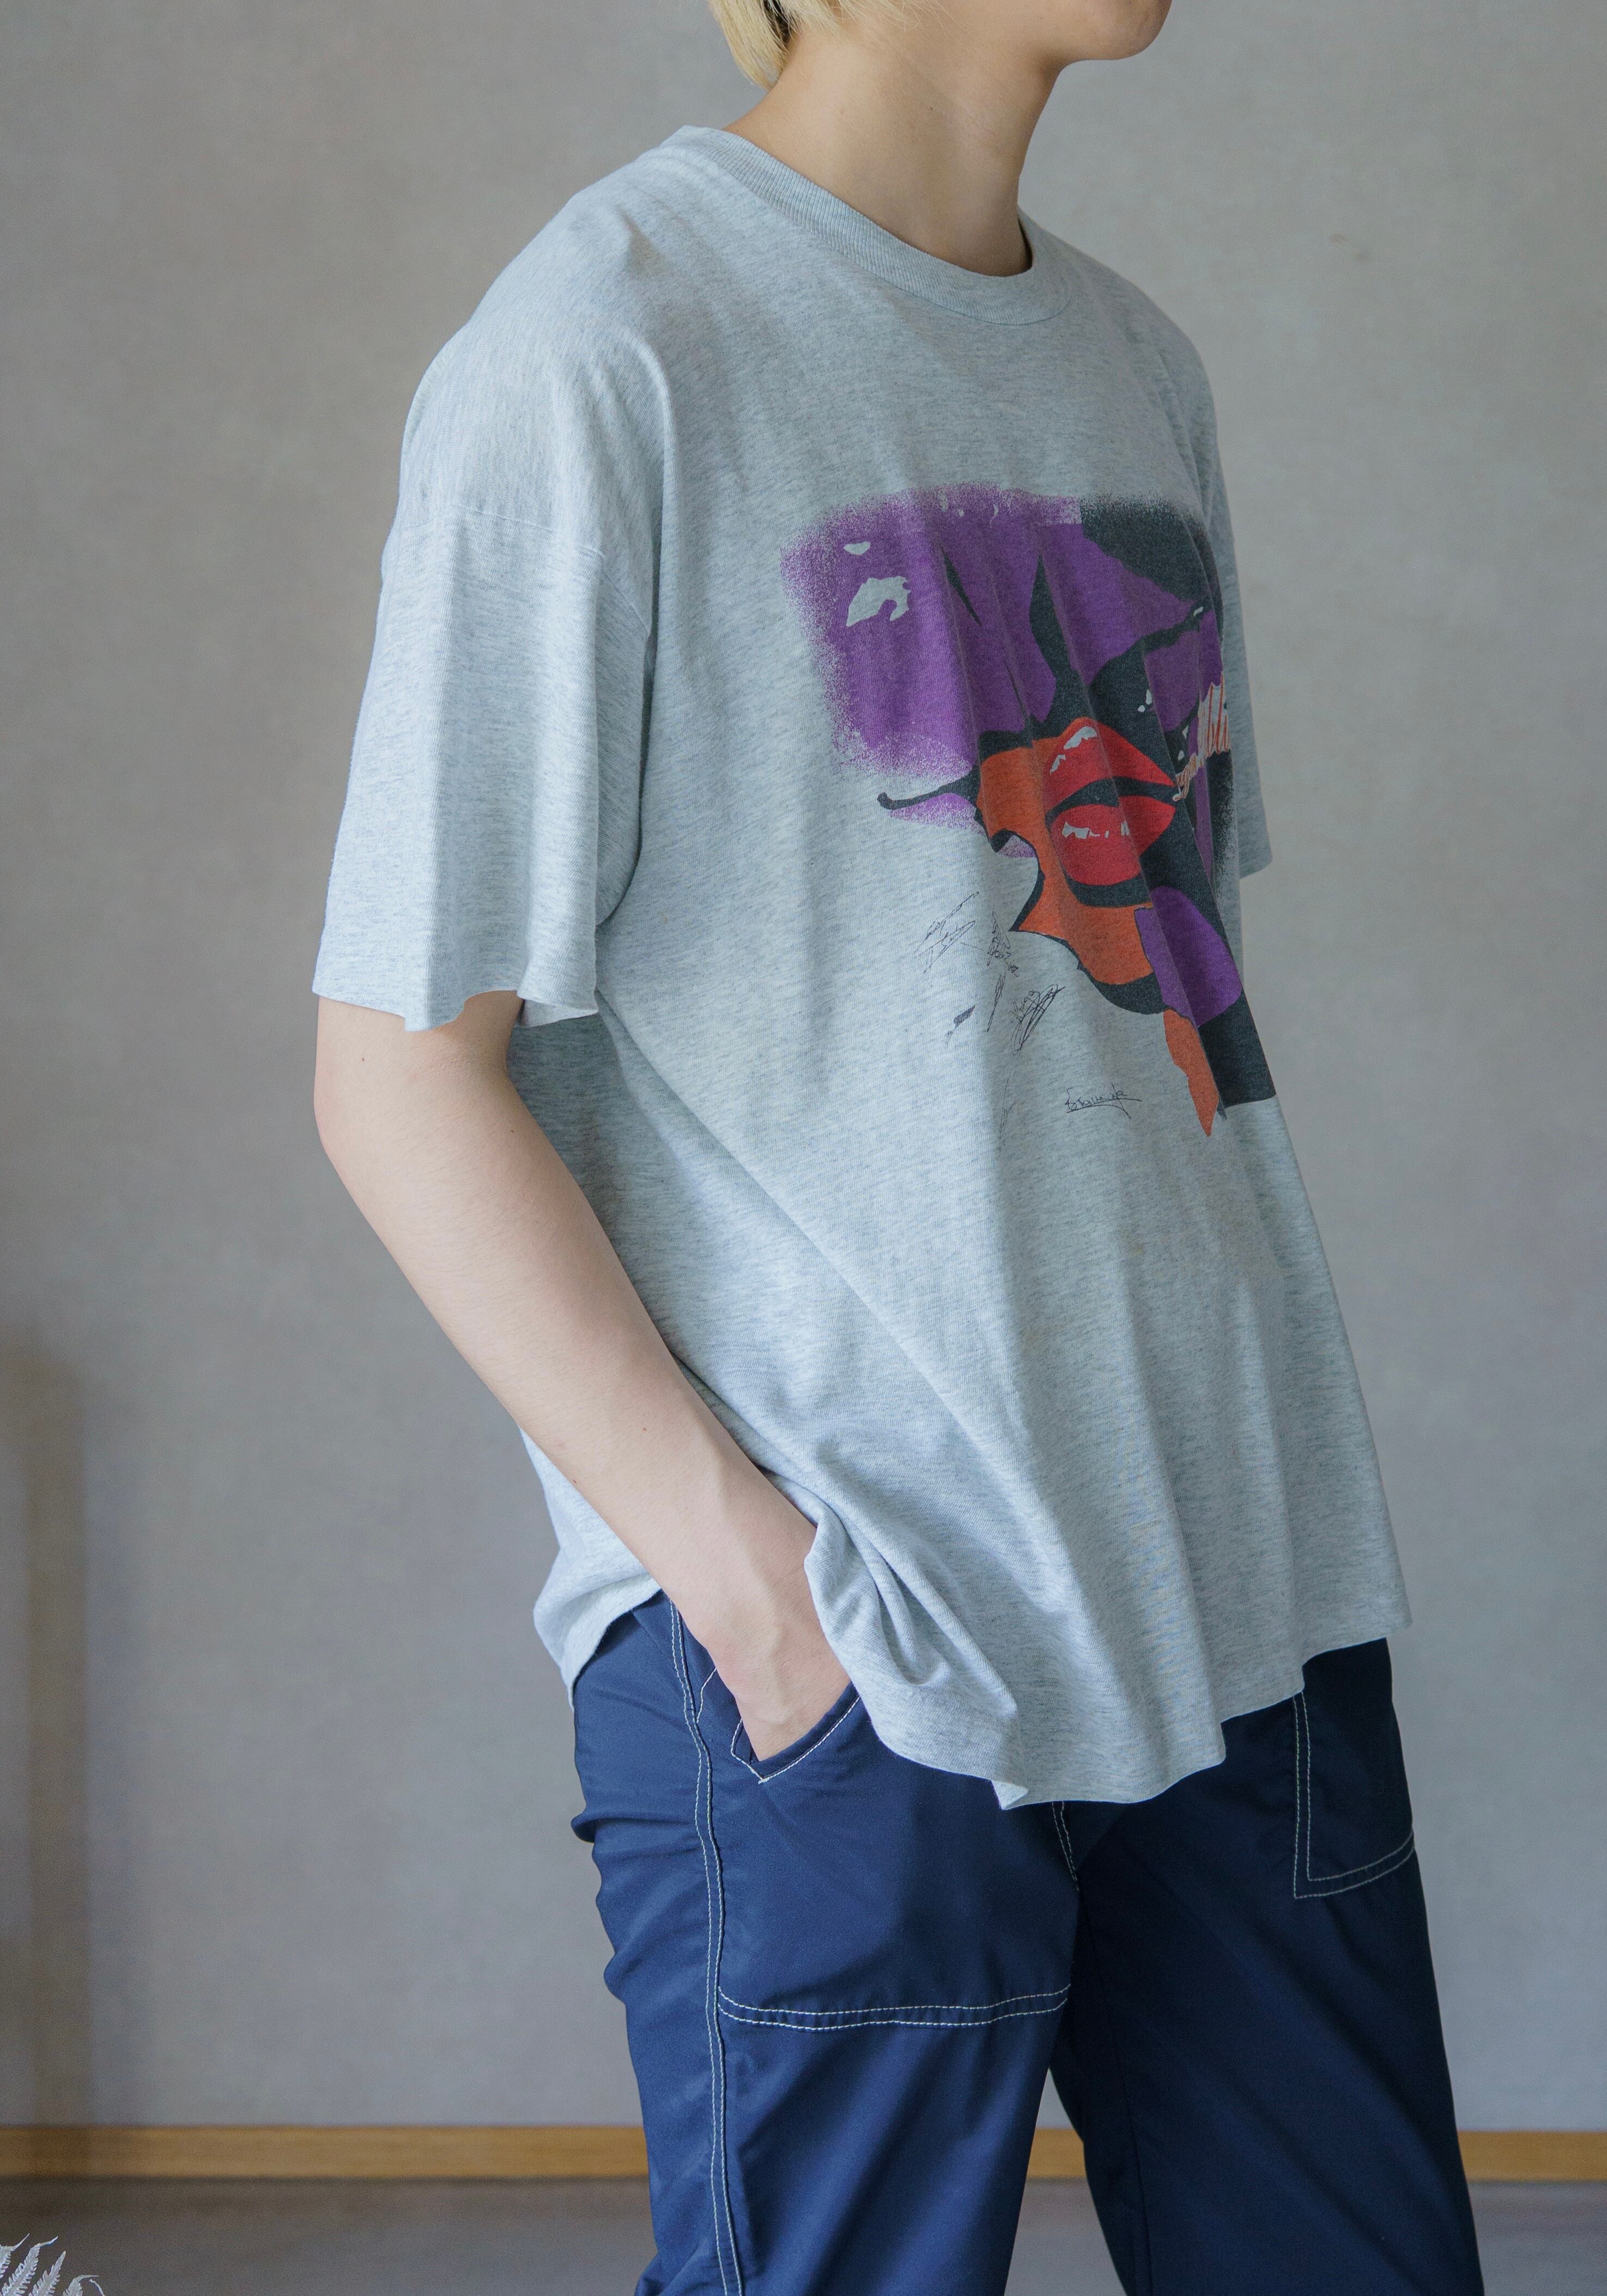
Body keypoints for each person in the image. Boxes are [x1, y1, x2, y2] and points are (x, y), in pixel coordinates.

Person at [311, 2, 1487, 2289]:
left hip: (1237, 1597)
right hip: (865, 1638)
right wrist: (754, 1593)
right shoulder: (602, 348)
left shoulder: (1133, 368)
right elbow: (395, 1070)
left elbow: (1133, 1018)